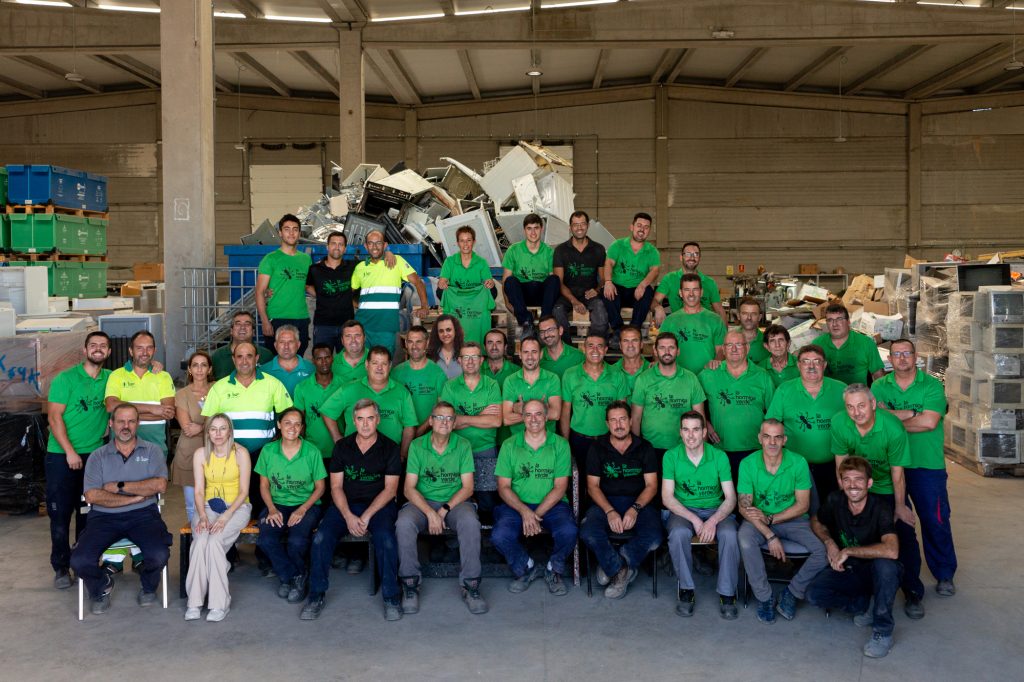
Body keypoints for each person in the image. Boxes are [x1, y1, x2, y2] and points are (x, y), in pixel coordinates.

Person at [303, 399, 403, 621]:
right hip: (345, 505)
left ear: (378, 420)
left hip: (379, 506)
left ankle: (391, 596)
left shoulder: (390, 447)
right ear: (353, 421)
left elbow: (390, 490)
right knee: (320, 538)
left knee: (386, 539)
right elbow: (336, 487)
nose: (365, 424)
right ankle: (316, 595)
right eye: (360, 419)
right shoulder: (342, 447)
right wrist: (348, 516)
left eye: (370, 418)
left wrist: (366, 516)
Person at [871, 339, 956, 597]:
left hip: (926, 465)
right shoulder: (878, 386)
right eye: (896, 354)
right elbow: (873, 421)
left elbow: (929, 422)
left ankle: (944, 574)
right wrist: (910, 414)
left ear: (915, 356)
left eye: (906, 353)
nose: (902, 358)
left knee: (934, 520)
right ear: (890, 359)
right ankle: (906, 579)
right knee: (899, 523)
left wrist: (891, 419)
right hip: (890, 465)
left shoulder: (931, 385)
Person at [832, 383, 925, 619]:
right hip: (857, 487)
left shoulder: (892, 428)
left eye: (861, 406)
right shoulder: (839, 423)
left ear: (873, 404)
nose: (856, 412)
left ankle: (913, 591)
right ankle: (862, 590)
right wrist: (849, 500)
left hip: (886, 486)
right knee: (853, 532)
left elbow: (898, 474)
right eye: (850, 407)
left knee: (904, 532)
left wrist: (900, 506)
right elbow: (841, 467)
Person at [70, 404, 171, 615]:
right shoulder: (97, 456)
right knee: (79, 560)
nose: (126, 426)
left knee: (159, 554)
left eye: (131, 421)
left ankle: (149, 586)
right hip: (103, 518)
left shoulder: (152, 451)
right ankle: (101, 586)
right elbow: (93, 496)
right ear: (111, 424)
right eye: (121, 421)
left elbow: (159, 485)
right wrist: (135, 498)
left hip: (144, 516)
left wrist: (119, 486)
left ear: (138, 424)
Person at [202, 341, 293, 574]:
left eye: (249, 356)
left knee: (263, 504)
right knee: (228, 502)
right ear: (233, 359)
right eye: (239, 356)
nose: (244, 361)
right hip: (228, 457)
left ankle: (264, 556)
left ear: (257, 358)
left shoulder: (272, 384)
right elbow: (209, 424)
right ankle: (228, 556)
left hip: (263, 456)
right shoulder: (219, 388)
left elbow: (286, 419)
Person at [396, 402, 487, 615]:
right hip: (422, 502)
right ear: (430, 421)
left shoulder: (463, 445)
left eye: (449, 418)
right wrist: (430, 512)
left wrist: (444, 509)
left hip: (455, 503)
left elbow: (468, 487)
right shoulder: (417, 445)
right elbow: (408, 489)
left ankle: (471, 586)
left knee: (470, 523)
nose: (444, 422)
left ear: (454, 423)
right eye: (439, 417)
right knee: (404, 523)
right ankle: (410, 584)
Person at [806, 456, 901, 659]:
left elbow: (892, 550)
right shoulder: (835, 500)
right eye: (847, 480)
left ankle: (883, 631)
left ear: (869, 483)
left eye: (858, 479)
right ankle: (865, 605)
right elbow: (816, 520)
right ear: (841, 482)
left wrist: (848, 551)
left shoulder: (880, 507)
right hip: (849, 569)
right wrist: (829, 542)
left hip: (875, 571)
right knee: (814, 594)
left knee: (887, 567)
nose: (852, 485)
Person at [736, 419, 828, 624]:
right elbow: (744, 507)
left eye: (777, 437)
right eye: (767, 437)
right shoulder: (748, 464)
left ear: (784, 440)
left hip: (793, 519)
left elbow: (803, 505)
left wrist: (771, 519)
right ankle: (764, 597)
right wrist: (770, 535)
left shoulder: (798, 462)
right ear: (759, 438)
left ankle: (792, 592)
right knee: (744, 539)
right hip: (758, 521)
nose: (772, 442)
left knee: (823, 551)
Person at [45, 331, 112, 590]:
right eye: (93, 345)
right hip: (62, 456)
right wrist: (70, 452)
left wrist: (155, 365)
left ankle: (82, 562)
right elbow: (54, 418)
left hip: (94, 456)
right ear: (85, 350)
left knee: (89, 513)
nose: (98, 349)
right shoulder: (65, 379)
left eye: (103, 346)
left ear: (108, 352)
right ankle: (61, 567)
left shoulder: (111, 378)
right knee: (60, 515)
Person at [492, 399, 578, 596]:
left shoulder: (560, 444)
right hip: (516, 505)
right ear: (522, 418)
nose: (534, 419)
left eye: (538, 414)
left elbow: (560, 487)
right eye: (528, 414)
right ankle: (526, 566)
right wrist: (525, 512)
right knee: (500, 535)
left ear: (546, 417)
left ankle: (553, 569)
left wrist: (535, 514)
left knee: (569, 531)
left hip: (552, 505)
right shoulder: (509, 445)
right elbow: (503, 487)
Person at [662, 411, 739, 619]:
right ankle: (686, 590)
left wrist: (713, 520)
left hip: (716, 509)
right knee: (678, 533)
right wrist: (694, 519)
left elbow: (731, 498)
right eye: (686, 430)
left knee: (730, 535)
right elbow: (667, 498)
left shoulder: (719, 456)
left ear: (704, 432)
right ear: (680, 432)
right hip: (684, 510)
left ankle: (727, 593)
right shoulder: (671, 456)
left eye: (696, 429)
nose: (691, 435)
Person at [579, 401, 661, 600]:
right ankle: (620, 570)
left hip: (639, 502)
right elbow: (592, 486)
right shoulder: (597, 448)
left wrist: (635, 508)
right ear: (607, 424)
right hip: (605, 502)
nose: (618, 425)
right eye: (613, 420)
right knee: (588, 532)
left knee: (654, 537)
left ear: (631, 421)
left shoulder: (645, 447)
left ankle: (616, 562)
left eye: (623, 419)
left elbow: (651, 486)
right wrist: (609, 511)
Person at [184, 414, 252, 622]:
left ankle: (219, 604)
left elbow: (244, 491)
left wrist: (225, 517)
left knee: (214, 542)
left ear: (230, 431)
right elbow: (198, 491)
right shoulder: (200, 454)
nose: (218, 433)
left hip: (237, 507)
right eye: (213, 429)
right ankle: (194, 602)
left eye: (223, 428)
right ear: (208, 433)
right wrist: (203, 516)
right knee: (200, 541)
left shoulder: (241, 453)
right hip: (207, 506)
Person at [255, 408, 326, 604]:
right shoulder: (268, 450)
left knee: (297, 541)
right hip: (277, 504)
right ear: (279, 425)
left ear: (302, 427)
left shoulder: (311, 451)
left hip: (306, 504)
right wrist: (271, 509)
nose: (292, 428)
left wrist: (302, 509)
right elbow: (264, 485)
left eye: (297, 424)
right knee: (266, 538)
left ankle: (292, 578)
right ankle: (293, 576)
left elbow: (320, 487)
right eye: (287, 423)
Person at [766, 344, 846, 502]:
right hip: (795, 467)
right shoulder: (784, 390)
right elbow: (771, 425)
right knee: (800, 509)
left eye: (817, 361)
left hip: (834, 466)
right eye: (806, 361)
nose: (811, 366)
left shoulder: (841, 389)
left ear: (824, 365)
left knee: (832, 509)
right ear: (798, 365)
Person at [698, 330, 776, 480]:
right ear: (723, 349)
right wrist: (705, 423)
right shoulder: (708, 375)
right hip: (719, 450)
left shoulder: (762, 376)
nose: (734, 349)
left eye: (739, 345)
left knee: (751, 493)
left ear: (747, 348)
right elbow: (692, 405)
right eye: (729, 345)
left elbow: (774, 415)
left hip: (755, 450)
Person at [439, 342, 503, 518]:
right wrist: (481, 415)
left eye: (474, 357)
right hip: (456, 450)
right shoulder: (450, 386)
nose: (470, 361)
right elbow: (446, 422)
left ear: (481, 360)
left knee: (488, 503)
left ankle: (484, 533)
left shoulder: (491, 385)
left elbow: (496, 421)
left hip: (485, 450)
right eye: (465, 357)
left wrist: (462, 418)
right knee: (456, 498)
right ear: (459, 361)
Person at [322, 346, 417, 459]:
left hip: (389, 458)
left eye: (384, 364)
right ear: (367, 365)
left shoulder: (402, 392)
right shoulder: (349, 389)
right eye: (375, 363)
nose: (379, 368)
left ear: (390, 366)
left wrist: (402, 454)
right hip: (354, 456)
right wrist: (338, 439)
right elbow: (327, 412)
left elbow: (409, 427)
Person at [560, 334, 630, 477]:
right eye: (590, 346)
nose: (595, 350)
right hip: (579, 439)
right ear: (584, 349)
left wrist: (622, 440)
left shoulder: (617, 375)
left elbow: (623, 412)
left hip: (608, 438)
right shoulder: (570, 374)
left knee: (607, 479)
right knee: (580, 480)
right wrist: (565, 442)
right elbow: (565, 412)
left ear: (605, 350)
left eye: (599, 346)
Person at [352, 229, 429, 354]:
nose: (374, 247)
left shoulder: (396, 261)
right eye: (371, 243)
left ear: (385, 245)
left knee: (383, 364)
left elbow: (418, 282)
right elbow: (351, 292)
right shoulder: (360, 268)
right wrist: (356, 305)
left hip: (386, 327)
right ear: (365, 246)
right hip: (363, 327)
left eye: (378, 243)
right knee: (362, 364)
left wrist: (424, 306)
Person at [630, 332, 706, 456]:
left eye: (671, 347)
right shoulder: (643, 379)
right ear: (655, 351)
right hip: (650, 448)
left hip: (684, 448)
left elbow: (700, 418)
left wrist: (702, 452)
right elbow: (636, 418)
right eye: (662, 348)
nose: (667, 352)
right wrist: (635, 450)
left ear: (678, 351)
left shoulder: (691, 378)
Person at [104, 330, 175, 456]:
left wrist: (124, 417)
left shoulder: (164, 377)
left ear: (154, 350)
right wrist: (152, 409)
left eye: (149, 348)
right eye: (139, 348)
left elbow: (168, 413)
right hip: (121, 446)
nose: (145, 352)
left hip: (155, 445)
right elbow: (111, 406)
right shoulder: (116, 375)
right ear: (131, 351)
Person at [256, 214, 312, 356]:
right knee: (276, 361)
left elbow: (308, 286)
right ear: (280, 233)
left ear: (299, 233)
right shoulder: (270, 259)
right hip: (277, 318)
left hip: (301, 317)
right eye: (287, 229)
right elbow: (260, 292)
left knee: (298, 359)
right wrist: (265, 321)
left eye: (295, 229)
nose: (291, 233)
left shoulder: (306, 259)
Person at [552, 210, 608, 344]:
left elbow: (603, 278)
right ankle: (567, 348)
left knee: (600, 308)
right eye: (575, 225)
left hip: (589, 294)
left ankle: (595, 346)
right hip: (567, 294)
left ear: (588, 226)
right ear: (570, 227)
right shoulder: (560, 250)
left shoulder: (598, 249)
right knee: (557, 311)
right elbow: (558, 282)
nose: (579, 228)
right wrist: (574, 301)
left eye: (582, 224)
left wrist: (597, 290)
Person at [502, 213, 560, 337]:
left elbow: (552, 282)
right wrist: (507, 303)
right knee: (510, 280)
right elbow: (505, 280)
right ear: (524, 230)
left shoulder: (549, 252)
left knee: (554, 279)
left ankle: (544, 320)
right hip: (521, 295)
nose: (533, 232)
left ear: (541, 229)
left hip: (541, 294)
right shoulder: (513, 250)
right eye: (529, 228)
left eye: (536, 228)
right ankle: (526, 322)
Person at [603, 212, 660, 338]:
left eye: (646, 227)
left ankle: (634, 330)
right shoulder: (617, 245)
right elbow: (608, 263)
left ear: (649, 231)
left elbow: (655, 270)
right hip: (618, 288)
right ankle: (618, 331)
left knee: (648, 292)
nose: (642, 229)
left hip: (637, 291)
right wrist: (608, 282)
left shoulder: (652, 251)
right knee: (607, 293)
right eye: (639, 225)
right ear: (632, 227)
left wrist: (643, 285)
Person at [437, 225, 497, 345]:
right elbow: (442, 280)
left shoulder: (481, 262)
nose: (465, 244)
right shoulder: (450, 261)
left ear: (474, 242)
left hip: (475, 298)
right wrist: (442, 283)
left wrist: (490, 283)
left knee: (492, 290)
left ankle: (479, 312)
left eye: (468, 240)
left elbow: (488, 281)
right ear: (457, 243)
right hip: (456, 299)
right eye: (462, 241)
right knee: (440, 291)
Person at [658, 273, 727, 376]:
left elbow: (721, 350)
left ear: (701, 292)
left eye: (695, 289)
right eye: (687, 290)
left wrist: (716, 362)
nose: (691, 294)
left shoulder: (715, 320)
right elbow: (660, 350)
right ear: (680, 293)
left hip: (708, 377)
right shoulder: (669, 321)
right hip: (678, 379)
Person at [172, 351, 213, 523]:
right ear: (189, 369)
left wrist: (201, 427)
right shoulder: (182, 394)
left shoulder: (218, 388)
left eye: (204, 365)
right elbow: (188, 428)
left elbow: (226, 421)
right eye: (195, 365)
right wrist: (212, 427)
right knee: (192, 504)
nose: (199, 369)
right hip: (189, 452)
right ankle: (195, 536)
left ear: (209, 369)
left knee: (216, 502)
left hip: (216, 451)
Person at [292, 344, 344, 466]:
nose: (324, 362)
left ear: (332, 358)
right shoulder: (302, 387)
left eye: (327, 357)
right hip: (312, 450)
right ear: (313, 361)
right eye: (319, 358)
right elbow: (299, 421)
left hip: (339, 449)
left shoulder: (344, 384)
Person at [391, 326, 448, 435]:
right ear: (406, 344)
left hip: (429, 436)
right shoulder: (396, 372)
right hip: (400, 435)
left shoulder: (438, 374)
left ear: (427, 343)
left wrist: (421, 429)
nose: (414, 346)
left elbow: (441, 408)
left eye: (419, 342)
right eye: (410, 342)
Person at [653, 242, 727, 325]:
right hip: (679, 327)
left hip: (705, 328)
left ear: (699, 258)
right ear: (681, 257)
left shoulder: (709, 282)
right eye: (688, 254)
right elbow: (654, 300)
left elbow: (720, 311)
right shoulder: (670, 279)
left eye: (696, 254)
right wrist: (657, 307)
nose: (692, 257)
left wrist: (725, 332)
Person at [305, 231, 356, 351]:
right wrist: (320, 295)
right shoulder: (315, 269)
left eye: (340, 244)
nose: (337, 247)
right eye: (333, 243)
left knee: (347, 359)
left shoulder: (353, 267)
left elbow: (373, 260)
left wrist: (388, 253)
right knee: (322, 357)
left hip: (347, 325)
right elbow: (307, 286)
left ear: (345, 248)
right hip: (323, 325)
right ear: (327, 246)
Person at [812, 302, 885, 386]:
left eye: (839, 319)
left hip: (857, 392)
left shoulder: (866, 343)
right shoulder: (817, 344)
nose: (834, 324)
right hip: (827, 392)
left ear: (848, 322)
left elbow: (878, 374)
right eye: (830, 320)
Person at [503, 336, 561, 436]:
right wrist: (542, 409)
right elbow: (506, 419)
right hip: (518, 441)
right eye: (526, 352)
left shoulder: (552, 378)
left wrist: (521, 409)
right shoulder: (510, 381)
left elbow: (555, 414)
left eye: (534, 352)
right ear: (520, 354)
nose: (530, 357)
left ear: (541, 354)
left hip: (547, 440)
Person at [211, 311, 274, 380]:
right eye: (238, 324)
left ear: (253, 332)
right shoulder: (217, 356)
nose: (242, 327)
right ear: (231, 331)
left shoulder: (266, 355)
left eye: (247, 324)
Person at [259, 325, 314, 396]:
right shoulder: (264, 371)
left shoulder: (311, 369)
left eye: (290, 342)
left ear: (298, 345)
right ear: (275, 345)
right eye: (282, 342)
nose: (286, 346)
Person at [609, 325, 649, 394]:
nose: (630, 345)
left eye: (635, 340)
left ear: (641, 344)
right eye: (625, 341)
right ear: (620, 345)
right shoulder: (611, 371)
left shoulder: (652, 369)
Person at [427, 314, 464, 379]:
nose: (445, 334)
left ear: (455, 330)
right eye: (441, 331)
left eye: (448, 330)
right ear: (437, 333)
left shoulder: (464, 352)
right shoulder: (430, 354)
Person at [736, 297, 770, 364]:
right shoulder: (728, 340)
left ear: (759, 317)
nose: (749, 318)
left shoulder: (768, 342)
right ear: (738, 316)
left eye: (753, 314)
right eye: (745, 313)